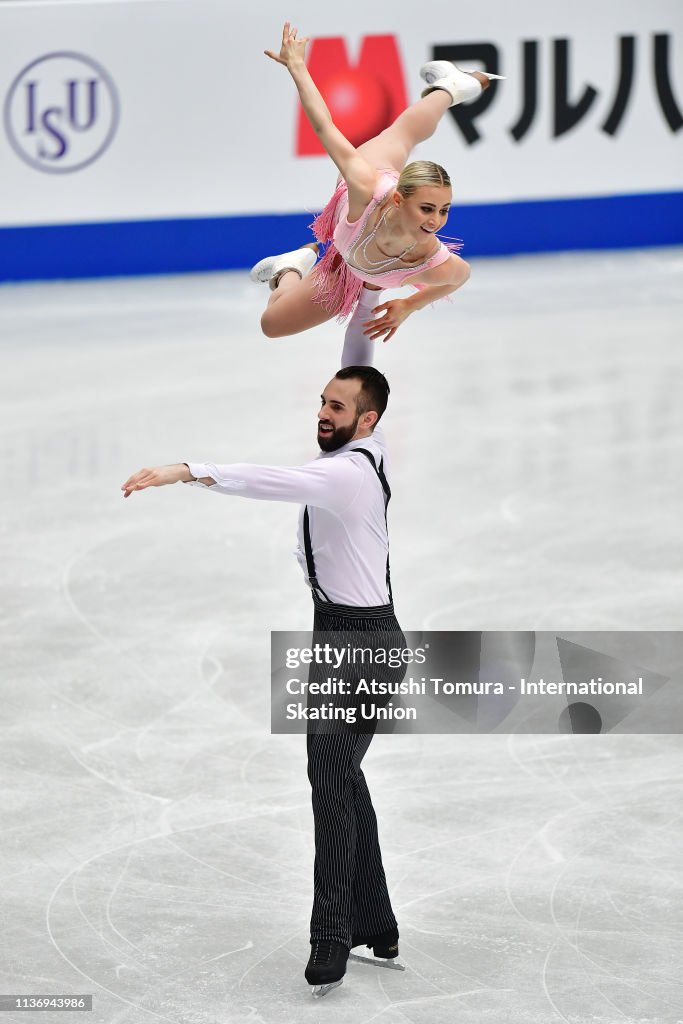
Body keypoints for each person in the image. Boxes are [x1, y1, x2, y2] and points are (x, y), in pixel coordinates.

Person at [121, 349, 406, 998]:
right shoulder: (369, 440)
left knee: (328, 781)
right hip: (341, 634)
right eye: (322, 402)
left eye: (336, 407)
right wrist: (339, 276)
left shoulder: (347, 477)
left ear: (366, 422)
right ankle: (377, 922)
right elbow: (358, 355)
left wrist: (186, 471)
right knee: (341, 776)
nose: (322, 414)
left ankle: (331, 936)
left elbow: (269, 480)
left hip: (360, 643)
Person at [250, 22, 503, 344]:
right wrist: (297, 65)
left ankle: (287, 268)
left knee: (273, 324)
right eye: (427, 208)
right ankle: (451, 88)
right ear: (398, 199)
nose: (435, 221)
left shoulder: (430, 257)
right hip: (365, 202)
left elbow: (460, 276)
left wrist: (410, 304)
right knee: (404, 132)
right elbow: (324, 126)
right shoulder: (366, 184)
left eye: (444, 210)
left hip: (354, 272)